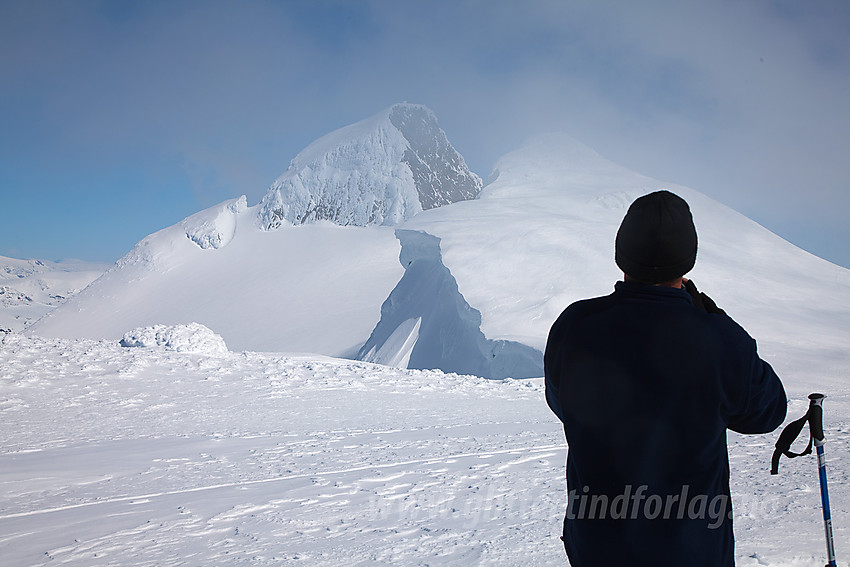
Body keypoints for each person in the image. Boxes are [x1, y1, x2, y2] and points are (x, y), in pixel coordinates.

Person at [544, 190, 787, 566]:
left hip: (596, 546)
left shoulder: (574, 326)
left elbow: (562, 403)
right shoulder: (720, 340)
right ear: (687, 261)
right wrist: (715, 317)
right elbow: (768, 412)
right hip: (692, 553)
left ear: (621, 254)